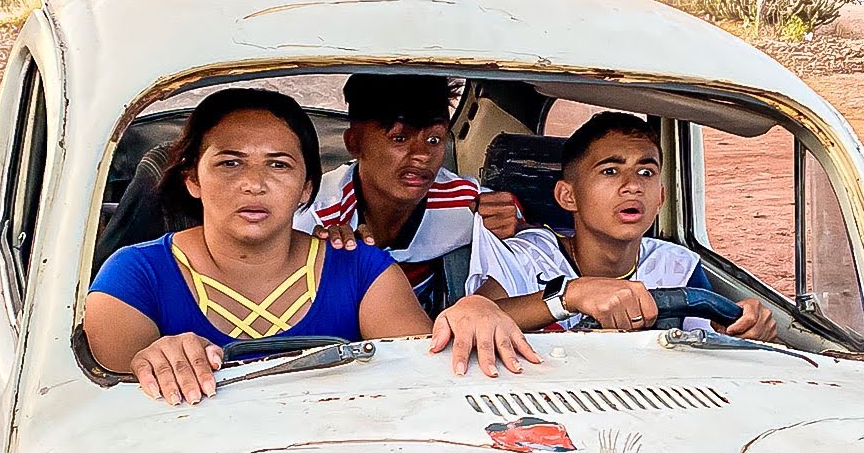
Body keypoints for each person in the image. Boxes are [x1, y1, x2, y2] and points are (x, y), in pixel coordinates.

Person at [85, 89, 539, 406]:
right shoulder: (133, 275)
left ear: (306, 189)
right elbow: (101, 419)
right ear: (192, 179)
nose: (254, 184)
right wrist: (150, 361)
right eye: (229, 163)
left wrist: (472, 311)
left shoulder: (363, 269)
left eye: (278, 165)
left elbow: (420, 381)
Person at [467, 111, 776, 339]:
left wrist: (747, 325)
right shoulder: (528, 257)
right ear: (568, 195)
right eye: (611, 171)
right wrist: (570, 296)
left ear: (661, 197)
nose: (632, 186)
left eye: (646, 173)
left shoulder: (676, 265)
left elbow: (711, 337)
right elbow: (473, 318)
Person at [295, 74, 521, 315]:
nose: (422, 155)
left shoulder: (467, 203)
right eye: (399, 138)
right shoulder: (313, 213)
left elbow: (534, 247)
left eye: (434, 139)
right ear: (354, 142)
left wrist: (517, 228)